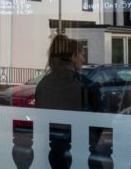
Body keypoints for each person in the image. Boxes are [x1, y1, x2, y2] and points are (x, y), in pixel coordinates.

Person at [35, 34, 100, 169]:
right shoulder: (85, 86)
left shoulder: (43, 84)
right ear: (72, 57)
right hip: (80, 152)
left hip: (52, 153)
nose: (83, 59)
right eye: (81, 54)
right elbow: (96, 123)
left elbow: (42, 122)